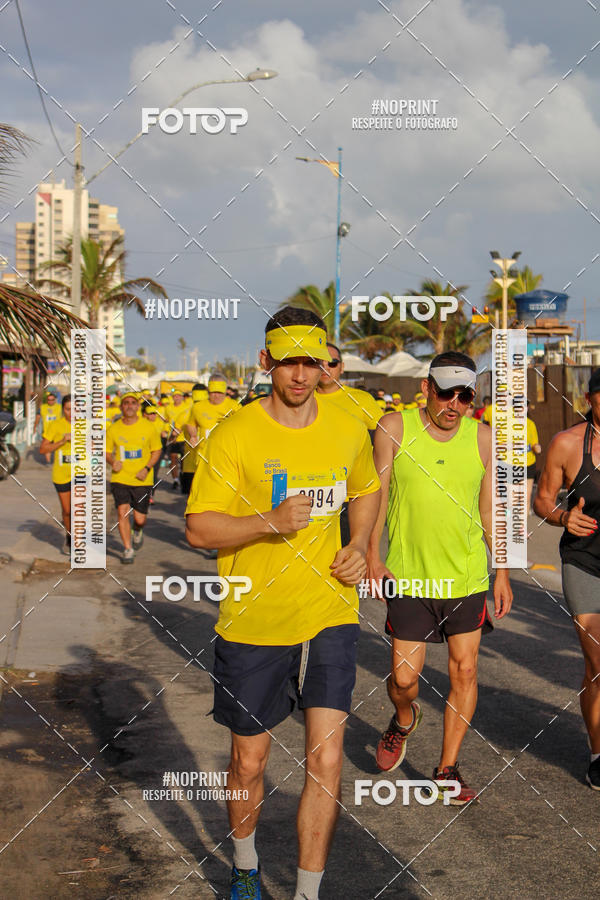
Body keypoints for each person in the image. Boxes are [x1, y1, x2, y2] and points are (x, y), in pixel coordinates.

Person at [185, 307, 380, 900]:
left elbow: (366, 489)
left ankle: (306, 893)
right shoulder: (235, 433)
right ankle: (245, 867)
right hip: (256, 619)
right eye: (288, 361)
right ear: (266, 361)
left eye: (311, 362)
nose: (300, 374)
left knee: (326, 761)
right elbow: (198, 529)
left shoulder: (347, 427)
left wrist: (361, 546)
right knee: (250, 762)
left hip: (330, 612)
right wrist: (267, 521)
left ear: (325, 365)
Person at [367, 351, 513, 804]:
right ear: (427, 389)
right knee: (404, 680)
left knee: (465, 671)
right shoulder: (394, 429)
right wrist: (371, 555)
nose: (454, 403)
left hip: (467, 577)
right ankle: (404, 719)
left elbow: (491, 511)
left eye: (464, 395)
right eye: (446, 393)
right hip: (410, 578)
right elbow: (375, 497)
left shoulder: (484, 438)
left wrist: (502, 572)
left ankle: (447, 767)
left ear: (473, 397)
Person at [533, 368, 600, 790]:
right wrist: (562, 516)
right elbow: (542, 498)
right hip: (585, 562)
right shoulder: (568, 444)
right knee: (598, 662)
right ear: (592, 397)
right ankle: (598, 754)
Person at [106, 392, 162, 563]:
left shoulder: (148, 427)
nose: (129, 406)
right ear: (121, 406)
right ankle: (127, 549)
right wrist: (112, 461)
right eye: (126, 403)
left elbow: (156, 450)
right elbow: (107, 452)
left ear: (138, 407)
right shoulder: (113, 428)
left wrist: (147, 468)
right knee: (122, 512)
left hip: (142, 479)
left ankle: (137, 530)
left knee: (140, 518)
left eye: (132, 403)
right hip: (120, 478)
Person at [316, 343, 383, 431]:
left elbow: (384, 433)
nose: (325, 368)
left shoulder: (362, 399)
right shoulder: (300, 399)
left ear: (342, 367)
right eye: (319, 363)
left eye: (332, 363)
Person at [39, 394, 72, 555]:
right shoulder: (55, 425)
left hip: (83, 474)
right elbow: (43, 449)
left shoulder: (87, 425)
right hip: (61, 474)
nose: (71, 413)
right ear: (63, 409)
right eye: (67, 409)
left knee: (81, 509)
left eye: (75, 409)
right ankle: (69, 536)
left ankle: (80, 539)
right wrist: (61, 442)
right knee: (67, 510)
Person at [36, 390, 61, 463]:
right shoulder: (42, 407)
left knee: (57, 446)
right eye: (49, 400)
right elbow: (38, 417)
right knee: (47, 447)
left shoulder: (60, 407)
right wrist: (35, 427)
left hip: (58, 431)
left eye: (52, 400)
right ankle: (48, 461)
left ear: (55, 400)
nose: (50, 401)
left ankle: (57, 460)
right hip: (47, 431)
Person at [526, 403, 542, 511]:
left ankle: (522, 527)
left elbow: (535, 444)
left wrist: (537, 448)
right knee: (511, 498)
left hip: (529, 463)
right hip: (510, 463)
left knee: (526, 498)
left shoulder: (530, 424)